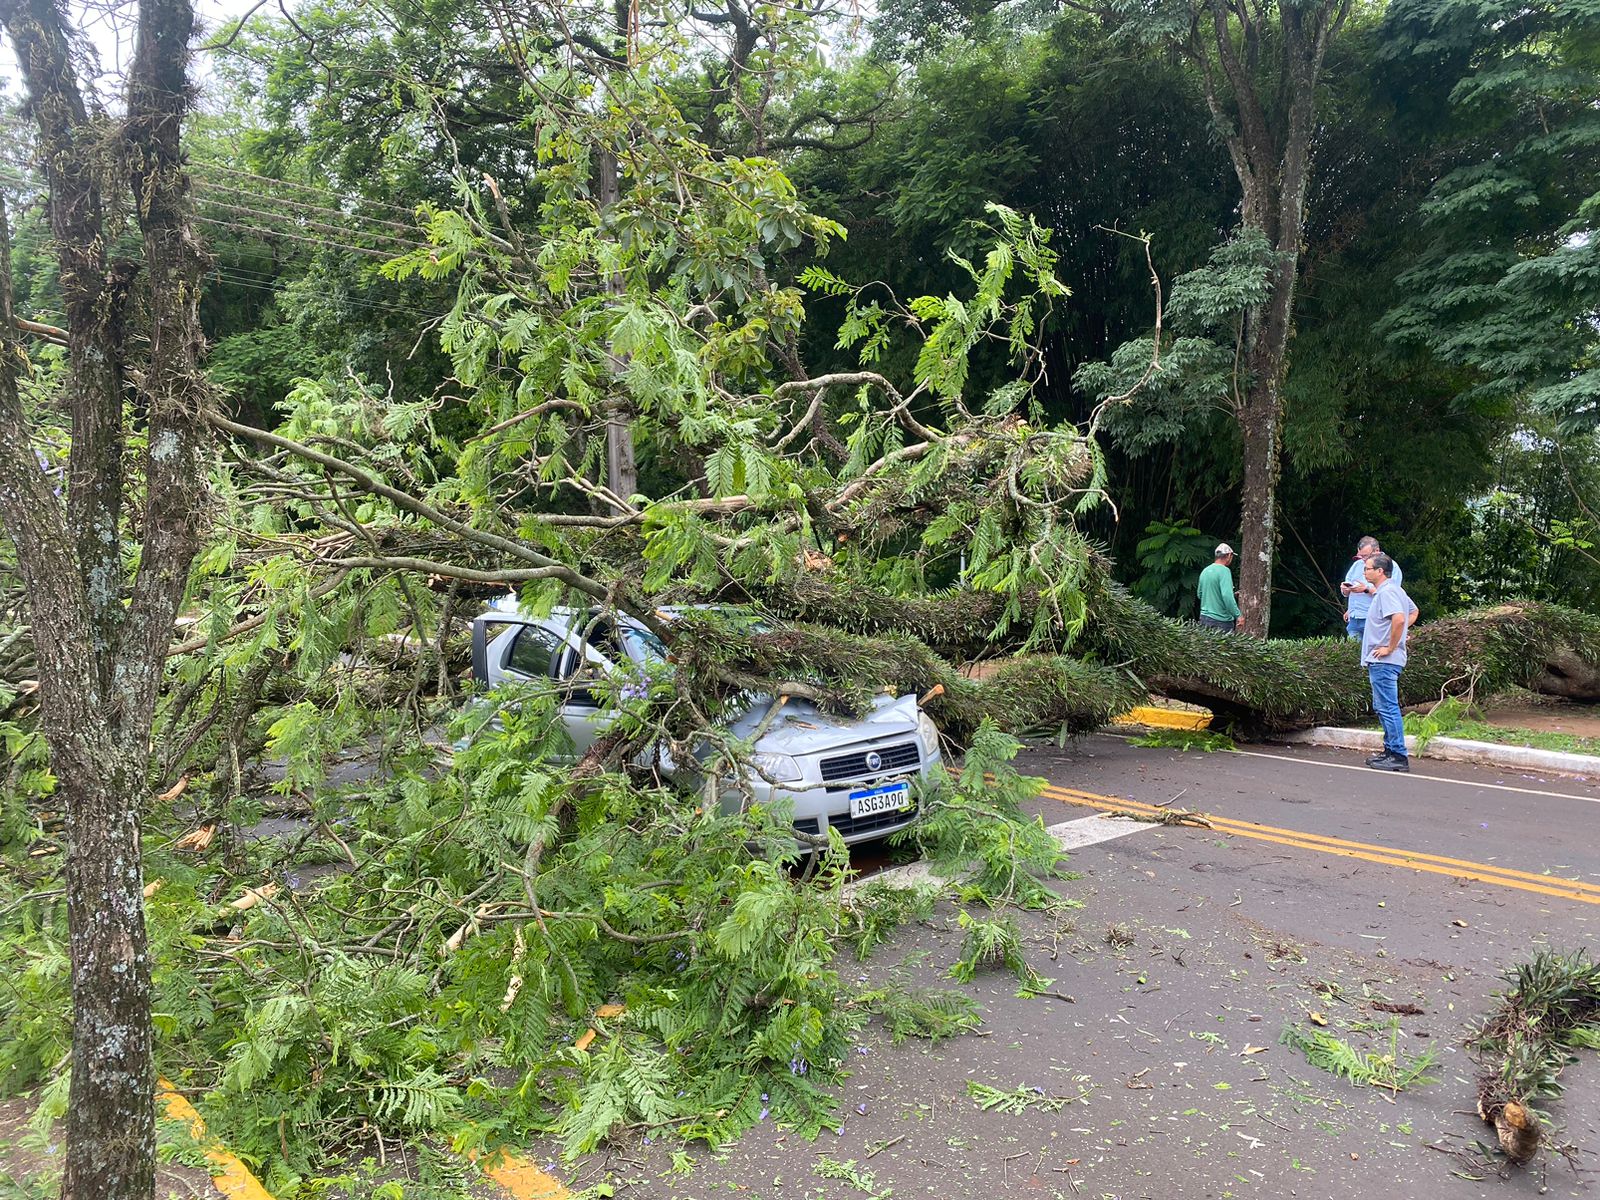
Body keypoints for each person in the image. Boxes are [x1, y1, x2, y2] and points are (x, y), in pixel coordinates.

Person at [1361, 552, 1419, 772]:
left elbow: (1400, 618)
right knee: (1383, 706)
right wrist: (1400, 634)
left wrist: (1391, 646)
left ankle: (1397, 755)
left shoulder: (1388, 592)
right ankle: (1390, 751)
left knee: (1388, 707)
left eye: (1367, 568)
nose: (1364, 572)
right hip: (1383, 660)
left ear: (1379, 571)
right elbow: (1413, 611)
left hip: (1385, 660)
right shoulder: (1392, 591)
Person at [1340, 536, 1402, 639]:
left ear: (1377, 551)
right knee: (1353, 653)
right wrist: (1345, 590)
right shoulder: (1357, 565)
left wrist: (1366, 589)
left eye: (1366, 556)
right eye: (1360, 556)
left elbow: (1391, 596)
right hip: (1354, 618)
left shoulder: (1391, 566)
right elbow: (1347, 588)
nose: (1363, 560)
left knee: (1373, 652)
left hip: (1375, 619)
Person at [1197, 543, 1243, 634]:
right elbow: (1226, 596)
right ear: (1229, 555)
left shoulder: (1205, 571)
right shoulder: (1224, 571)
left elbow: (1200, 594)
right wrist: (1238, 615)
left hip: (1204, 619)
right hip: (1221, 622)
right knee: (1224, 648)